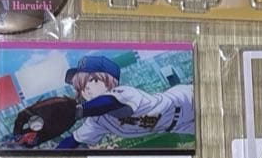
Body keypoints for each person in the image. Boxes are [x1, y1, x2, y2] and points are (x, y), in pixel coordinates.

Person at [55, 55, 195, 149]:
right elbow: (74, 140)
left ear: (110, 81)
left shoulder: (124, 92)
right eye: (81, 86)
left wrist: (77, 112)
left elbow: (108, 103)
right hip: (177, 127)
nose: (87, 89)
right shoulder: (97, 121)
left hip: (186, 101)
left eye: (94, 80)